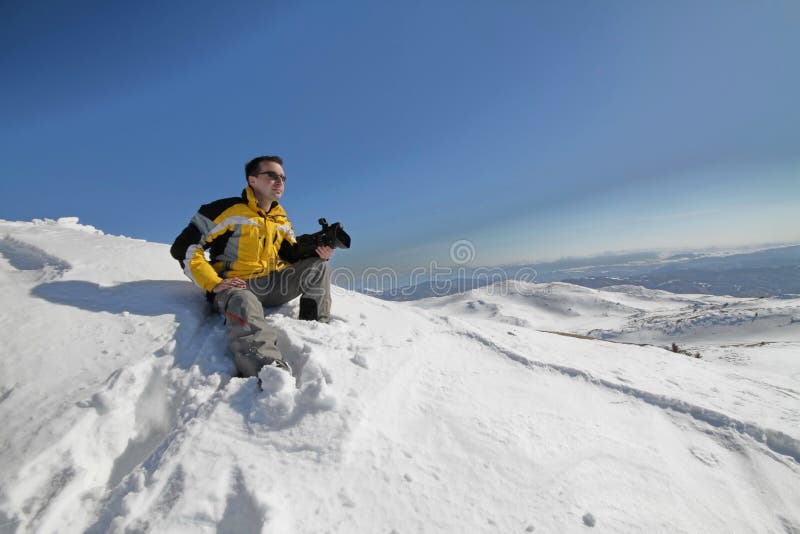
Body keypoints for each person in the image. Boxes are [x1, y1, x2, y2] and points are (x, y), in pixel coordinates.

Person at [170, 155, 333, 379]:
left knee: (318, 265)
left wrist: (317, 251)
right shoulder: (225, 210)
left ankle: (316, 328)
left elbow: (288, 254)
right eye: (272, 175)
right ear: (252, 180)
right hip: (236, 287)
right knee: (244, 301)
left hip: (269, 284)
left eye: (283, 177)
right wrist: (215, 283)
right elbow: (183, 248)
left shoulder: (280, 218)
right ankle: (268, 371)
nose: (280, 182)